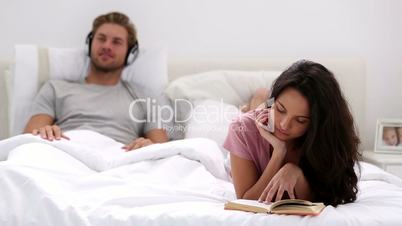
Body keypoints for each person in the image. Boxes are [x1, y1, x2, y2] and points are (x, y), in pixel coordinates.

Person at [24, 12, 170, 151]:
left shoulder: (145, 98)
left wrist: (148, 145)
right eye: (101, 38)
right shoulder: (55, 88)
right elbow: (28, 141)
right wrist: (44, 132)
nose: (107, 46)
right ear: (90, 43)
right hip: (67, 155)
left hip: (120, 162)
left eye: (116, 42)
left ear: (130, 52)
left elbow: (161, 150)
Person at [223, 60, 360, 207]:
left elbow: (334, 193)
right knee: (257, 107)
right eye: (281, 109)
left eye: (300, 120)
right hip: (258, 119)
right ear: (274, 101)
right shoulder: (241, 128)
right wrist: (278, 153)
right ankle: (257, 102)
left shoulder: (326, 138)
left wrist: (295, 172)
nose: (284, 125)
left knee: (265, 106)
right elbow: (245, 201)